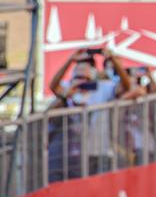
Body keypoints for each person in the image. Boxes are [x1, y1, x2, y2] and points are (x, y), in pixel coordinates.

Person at [48, 48, 131, 176]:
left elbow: (126, 87)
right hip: (74, 155)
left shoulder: (103, 87)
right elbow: (54, 87)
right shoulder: (70, 89)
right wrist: (70, 60)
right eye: (78, 77)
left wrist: (114, 61)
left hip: (100, 152)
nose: (82, 82)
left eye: (85, 79)